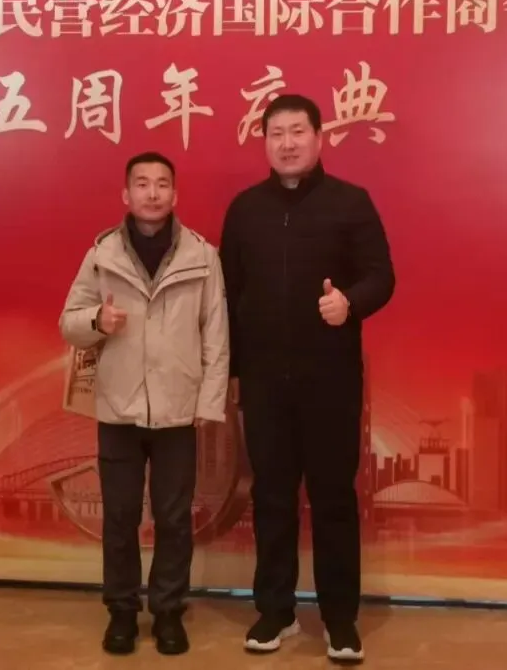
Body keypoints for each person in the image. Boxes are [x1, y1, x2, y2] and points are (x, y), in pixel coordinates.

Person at [219, 94, 395, 664]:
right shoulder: (245, 209)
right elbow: (228, 295)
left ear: (320, 138)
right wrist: (233, 374)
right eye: (276, 133)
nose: (288, 143)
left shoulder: (351, 202)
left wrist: (351, 302)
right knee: (271, 495)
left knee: (333, 497)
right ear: (265, 142)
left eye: (298, 131)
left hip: (331, 381)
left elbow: (382, 276)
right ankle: (275, 610)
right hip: (265, 383)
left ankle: (340, 619)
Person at [59, 150, 230, 657]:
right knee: (120, 517)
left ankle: (169, 611)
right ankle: (122, 612)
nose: (152, 193)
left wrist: (210, 402)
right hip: (118, 407)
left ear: (175, 194)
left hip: (178, 409)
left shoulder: (203, 255)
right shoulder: (101, 255)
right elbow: (69, 321)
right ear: (126, 194)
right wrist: (97, 321)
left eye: (161, 184)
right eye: (142, 184)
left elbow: (216, 335)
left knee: (174, 519)